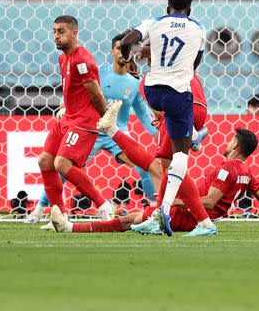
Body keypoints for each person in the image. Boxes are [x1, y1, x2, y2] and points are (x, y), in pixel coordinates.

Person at [26, 32, 161, 223]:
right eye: (119, 48)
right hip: (93, 129)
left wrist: (157, 134)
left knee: (143, 167)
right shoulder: (100, 71)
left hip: (116, 131)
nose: (124, 52)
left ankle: (154, 209)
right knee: (63, 166)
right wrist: (65, 108)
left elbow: (143, 115)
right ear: (112, 51)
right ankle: (40, 209)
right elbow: (77, 89)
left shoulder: (135, 82)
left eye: (129, 49)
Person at [48, 128, 259, 234]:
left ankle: (69, 227)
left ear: (235, 145)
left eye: (231, 140)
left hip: (184, 215)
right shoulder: (246, 172)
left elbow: (207, 203)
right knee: (154, 172)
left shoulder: (227, 169)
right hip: (185, 211)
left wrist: (170, 203)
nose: (227, 143)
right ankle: (113, 131)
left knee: (127, 218)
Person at [112, 0, 214, 237]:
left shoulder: (155, 22)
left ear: (168, 6)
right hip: (182, 96)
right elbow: (194, 64)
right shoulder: (198, 28)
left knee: (165, 161)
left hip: (155, 93)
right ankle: (192, 135)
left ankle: (164, 212)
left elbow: (126, 41)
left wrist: (129, 60)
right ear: (189, 10)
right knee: (177, 158)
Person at [38, 16, 116, 221]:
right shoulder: (63, 58)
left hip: (84, 121)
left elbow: (96, 94)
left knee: (62, 164)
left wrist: (105, 120)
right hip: (68, 118)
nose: (56, 36)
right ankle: (60, 215)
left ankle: (103, 204)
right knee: (45, 161)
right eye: (54, 31)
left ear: (74, 33)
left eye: (61, 31)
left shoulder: (82, 59)